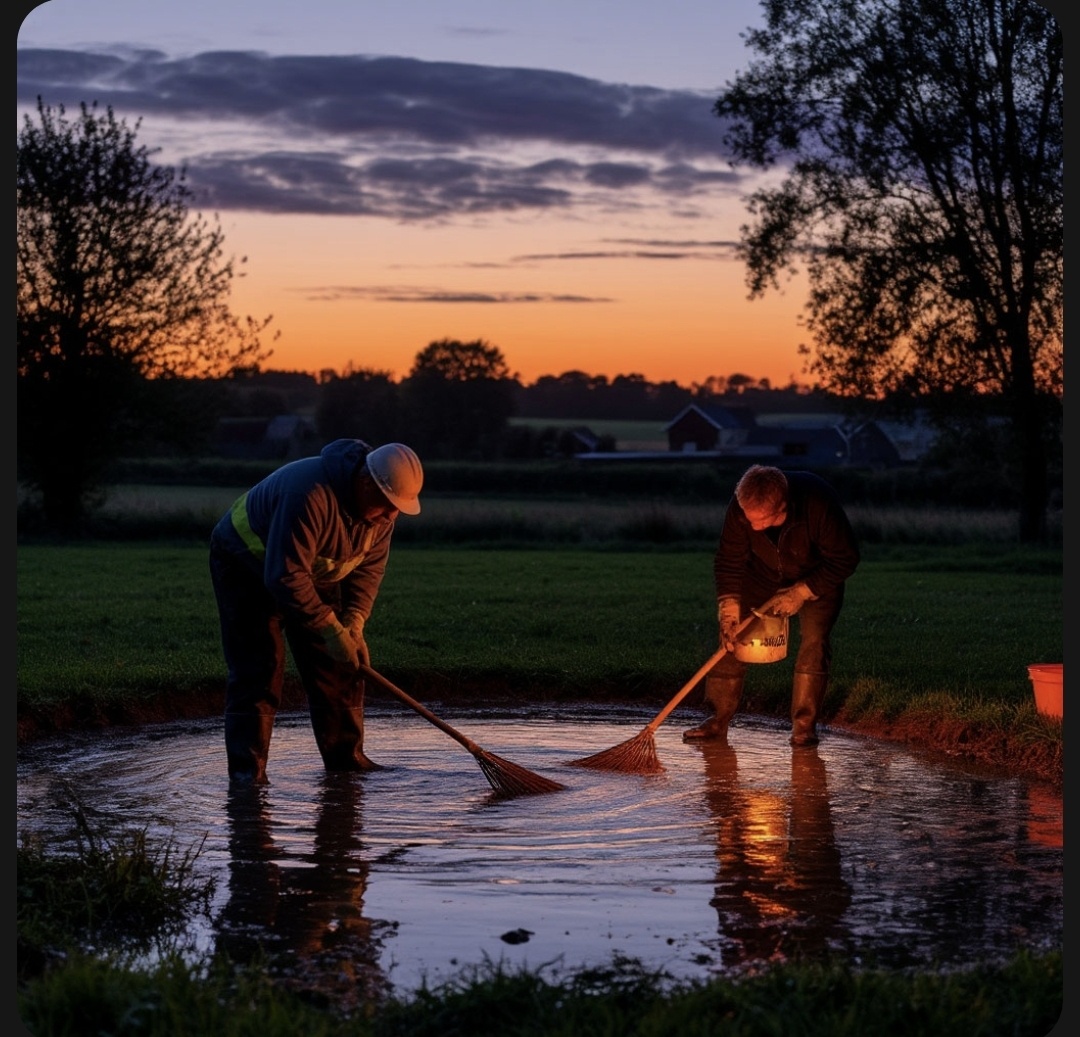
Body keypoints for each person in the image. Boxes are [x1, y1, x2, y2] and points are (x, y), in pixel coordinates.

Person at [209, 438, 423, 783]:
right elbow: (284, 576)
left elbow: (368, 571)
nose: (392, 514)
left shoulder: (382, 515)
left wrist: (353, 624)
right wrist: (329, 627)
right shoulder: (307, 495)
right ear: (365, 483)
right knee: (259, 669)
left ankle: (346, 763)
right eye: (387, 505)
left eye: (397, 507)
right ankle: (248, 776)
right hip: (245, 564)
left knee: (340, 666)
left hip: (307, 571)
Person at [684, 464, 860, 747]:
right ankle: (716, 719)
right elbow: (729, 560)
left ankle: (804, 726)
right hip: (761, 575)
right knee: (731, 638)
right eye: (747, 519)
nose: (751, 526)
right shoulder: (742, 508)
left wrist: (802, 591)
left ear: (782, 508)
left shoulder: (818, 504)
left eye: (760, 521)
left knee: (814, 642)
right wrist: (728, 610)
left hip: (818, 576)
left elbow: (846, 558)